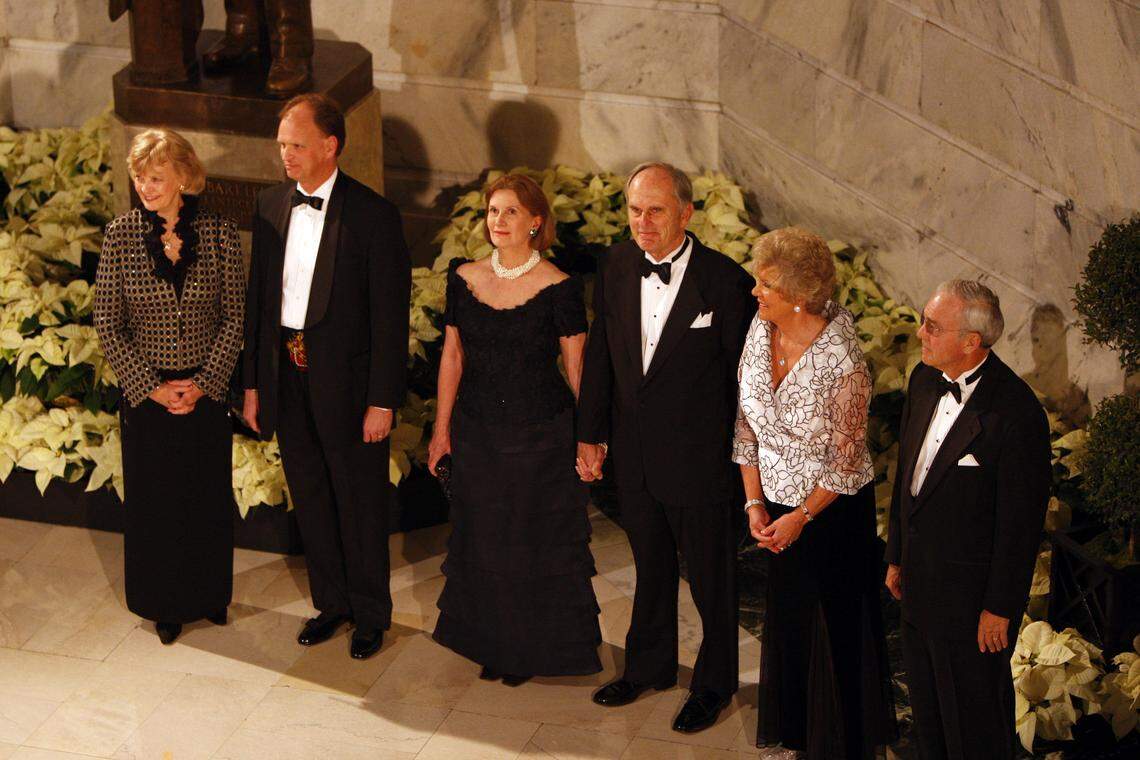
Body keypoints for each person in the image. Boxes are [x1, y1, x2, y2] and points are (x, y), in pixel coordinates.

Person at [576, 162, 755, 733]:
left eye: (655, 210)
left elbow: (743, 387)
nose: (643, 222)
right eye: (634, 210)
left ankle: (714, 683)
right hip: (635, 455)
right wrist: (590, 434)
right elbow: (602, 353)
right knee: (649, 567)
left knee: (711, 579)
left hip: (702, 462)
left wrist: (741, 469)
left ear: (686, 213)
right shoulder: (616, 266)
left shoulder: (726, 283)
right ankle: (648, 667)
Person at [241, 93, 410, 660]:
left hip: (348, 384)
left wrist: (382, 400)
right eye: (282, 143)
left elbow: (391, 317)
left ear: (329, 146)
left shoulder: (372, 215)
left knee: (358, 499)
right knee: (310, 493)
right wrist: (255, 383)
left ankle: (369, 614)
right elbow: (258, 303)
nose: (284, 154)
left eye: (295, 144)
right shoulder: (268, 205)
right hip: (286, 376)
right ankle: (331, 603)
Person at [427, 173, 602, 685]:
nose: (498, 221)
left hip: (540, 438)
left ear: (536, 222)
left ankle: (532, 650)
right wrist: (441, 431)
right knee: (484, 542)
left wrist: (590, 438)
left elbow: (578, 371)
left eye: (509, 212)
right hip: (477, 433)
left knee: (531, 545)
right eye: (493, 211)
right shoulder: (463, 278)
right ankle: (493, 643)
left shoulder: (560, 288)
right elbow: (451, 356)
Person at [732, 228, 896, 757]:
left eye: (767, 286)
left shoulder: (844, 364)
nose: (756, 292)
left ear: (801, 297)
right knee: (789, 615)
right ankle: (796, 729)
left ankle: (841, 739)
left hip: (831, 512)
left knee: (832, 620)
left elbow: (846, 464)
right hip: (777, 505)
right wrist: (755, 502)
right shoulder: (760, 330)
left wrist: (800, 517)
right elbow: (746, 423)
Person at [886, 280, 1050, 760]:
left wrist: (999, 607)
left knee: (975, 726)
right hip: (918, 587)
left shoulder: (1016, 414)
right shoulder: (922, 379)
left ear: (970, 342)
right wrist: (896, 556)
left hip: (972, 606)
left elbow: (1019, 527)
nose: (921, 333)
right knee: (929, 716)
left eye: (933, 327)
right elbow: (905, 482)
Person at [94, 128, 244, 645]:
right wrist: (150, 388)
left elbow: (234, 318)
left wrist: (204, 383)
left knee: (204, 498)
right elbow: (108, 324)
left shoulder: (221, 234)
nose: (146, 186)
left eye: (156, 177)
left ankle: (209, 596)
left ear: (184, 176)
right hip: (148, 398)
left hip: (205, 394)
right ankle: (164, 604)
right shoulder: (120, 235)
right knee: (157, 504)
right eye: (139, 177)